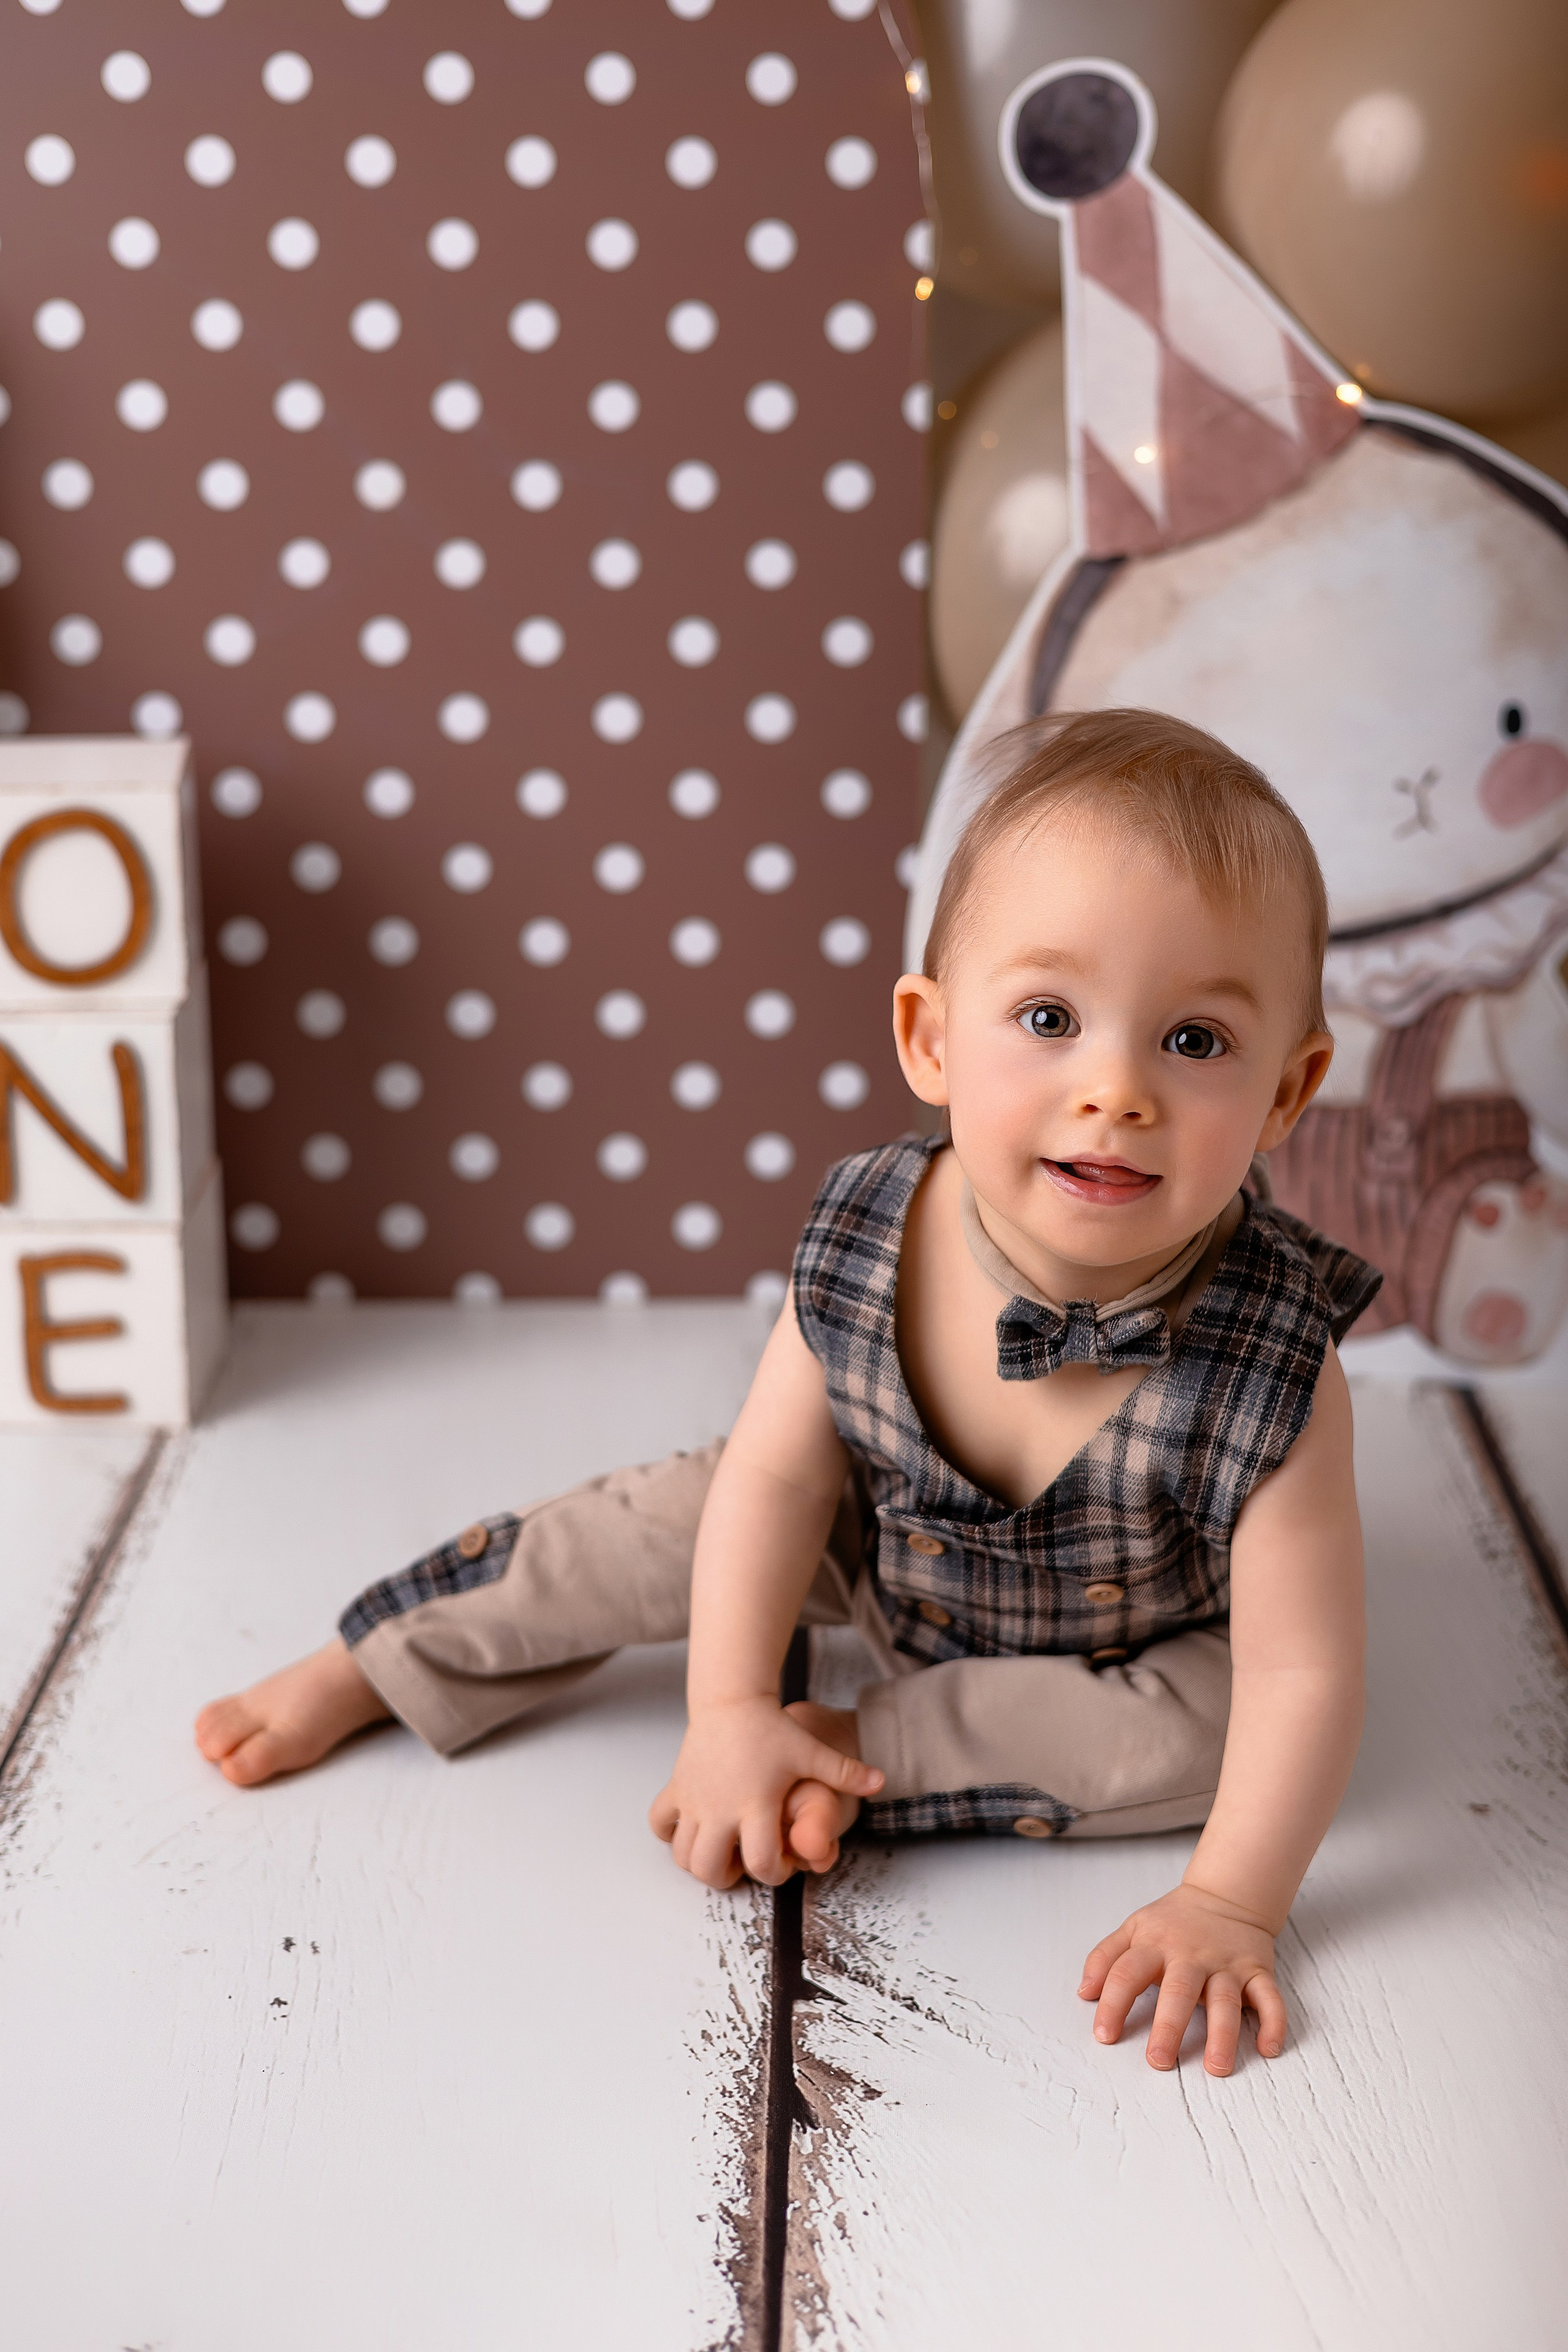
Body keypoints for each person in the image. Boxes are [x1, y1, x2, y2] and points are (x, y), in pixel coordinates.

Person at [196, 708, 1376, 2078]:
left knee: (1213, 1735)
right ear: (928, 1039)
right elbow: (771, 1482)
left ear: (1286, 1091)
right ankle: (385, 1656)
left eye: (1193, 1042)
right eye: (1047, 1018)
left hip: (1131, 1636)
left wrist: (1231, 1903)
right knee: (665, 1519)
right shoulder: (876, 1230)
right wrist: (718, 1708)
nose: (1113, 1090)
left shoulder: (1278, 1363)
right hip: (873, 1546)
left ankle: (845, 1749)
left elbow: (1303, 1668)